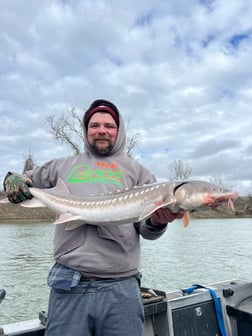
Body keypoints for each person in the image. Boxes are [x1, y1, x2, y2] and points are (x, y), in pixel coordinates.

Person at [3, 99, 184, 336]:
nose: (101, 130)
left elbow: (146, 231)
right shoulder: (62, 165)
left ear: (118, 132)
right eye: (94, 125)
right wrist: (13, 181)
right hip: (69, 282)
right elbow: (22, 178)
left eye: (109, 126)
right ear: (87, 131)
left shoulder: (139, 173)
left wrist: (157, 221)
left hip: (121, 285)